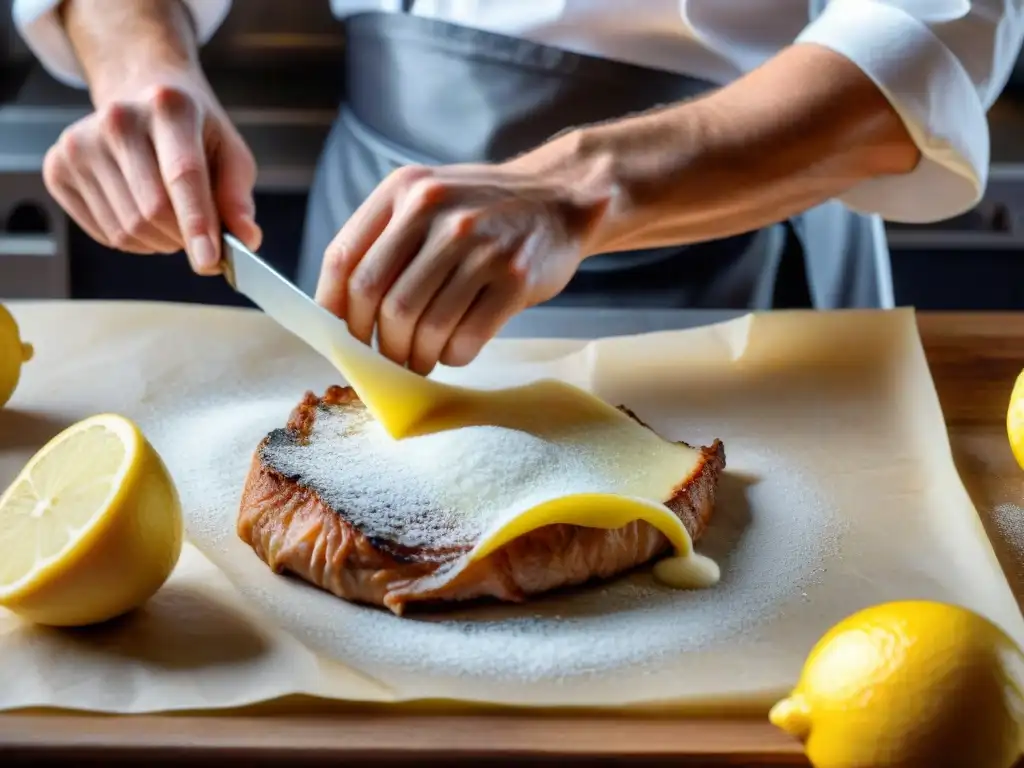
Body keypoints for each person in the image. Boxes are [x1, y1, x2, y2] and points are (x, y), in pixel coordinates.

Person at [13, 0, 1024, 374]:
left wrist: (581, 186)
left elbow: (931, 34)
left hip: (739, 245)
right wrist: (141, 61)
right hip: (369, 222)